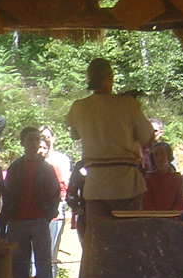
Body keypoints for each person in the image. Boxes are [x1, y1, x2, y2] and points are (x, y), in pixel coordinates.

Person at [64, 58, 155, 222]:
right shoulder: (127, 104)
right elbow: (147, 136)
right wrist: (134, 105)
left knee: (98, 239)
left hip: (95, 185)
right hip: (125, 184)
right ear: (109, 78)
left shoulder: (78, 107)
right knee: (127, 239)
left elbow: (75, 134)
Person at [0, 126, 61, 278]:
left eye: (36, 139)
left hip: (39, 219)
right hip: (17, 220)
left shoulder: (46, 168)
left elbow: (55, 193)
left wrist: (48, 215)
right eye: (30, 139)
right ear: (23, 143)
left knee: (43, 260)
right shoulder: (15, 168)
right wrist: (7, 218)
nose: (34, 143)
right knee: (19, 261)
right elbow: (7, 194)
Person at [39, 125, 71, 278]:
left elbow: (63, 187)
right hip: (35, 214)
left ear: (53, 138)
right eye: (41, 136)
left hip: (54, 214)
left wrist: (52, 210)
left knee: (51, 252)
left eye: (47, 136)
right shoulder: (29, 163)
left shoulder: (61, 161)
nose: (44, 140)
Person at [142, 141, 183, 212]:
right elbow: (146, 201)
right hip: (152, 218)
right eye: (156, 155)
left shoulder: (176, 177)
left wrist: (171, 215)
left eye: (162, 154)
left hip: (173, 218)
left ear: (169, 156)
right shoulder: (149, 178)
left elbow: (181, 200)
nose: (159, 158)